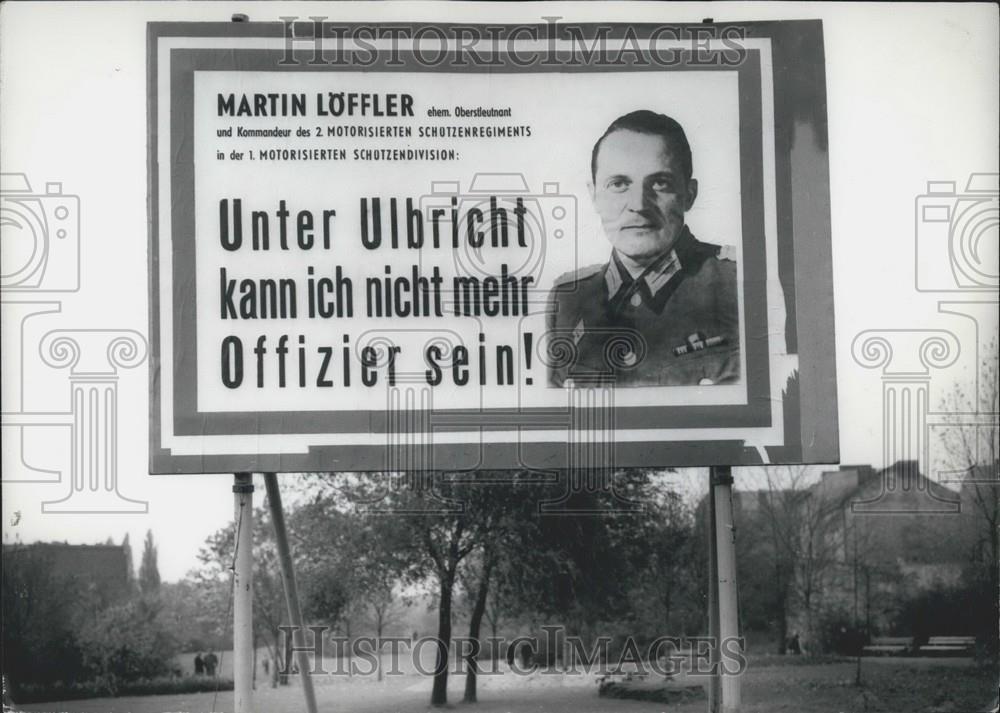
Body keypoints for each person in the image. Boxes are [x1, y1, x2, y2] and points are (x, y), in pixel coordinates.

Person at [547, 110, 740, 387]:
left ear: (690, 195)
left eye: (660, 183)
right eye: (619, 184)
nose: (638, 204)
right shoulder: (567, 300)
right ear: (594, 196)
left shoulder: (740, 285)